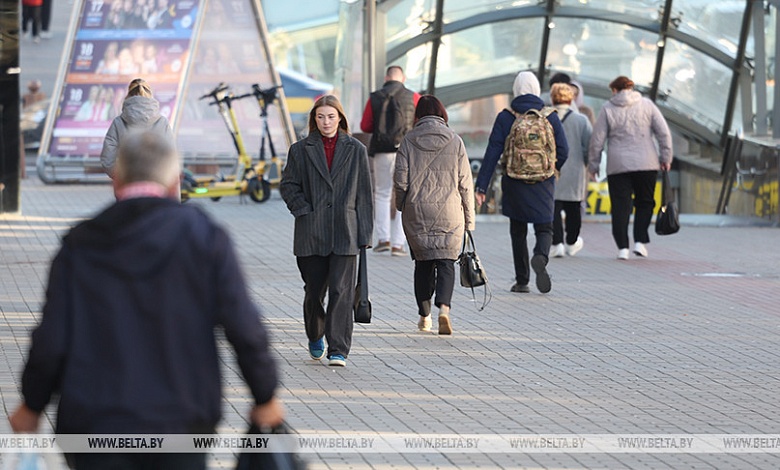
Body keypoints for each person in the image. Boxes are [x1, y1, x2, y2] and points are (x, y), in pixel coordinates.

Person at [9, 130, 284, 469]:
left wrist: (32, 405)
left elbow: (52, 337)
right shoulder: (204, 238)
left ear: (119, 176)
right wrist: (265, 394)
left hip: (95, 423)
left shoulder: (80, 244)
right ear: (174, 179)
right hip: (181, 420)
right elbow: (243, 325)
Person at [280, 95, 373, 368]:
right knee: (314, 291)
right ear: (314, 119)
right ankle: (314, 332)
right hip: (312, 230)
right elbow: (288, 185)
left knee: (342, 291)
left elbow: (365, 195)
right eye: (321, 117)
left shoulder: (356, 149)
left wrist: (365, 235)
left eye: (331, 116)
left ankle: (339, 349)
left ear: (340, 118)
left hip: (346, 230)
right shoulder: (300, 150)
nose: (326, 122)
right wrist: (304, 210)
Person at [474, 71, 568, 294]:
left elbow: (492, 153)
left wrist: (481, 187)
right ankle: (541, 256)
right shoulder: (550, 116)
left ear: (516, 90)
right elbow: (564, 150)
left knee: (518, 230)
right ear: (536, 89)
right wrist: (551, 168)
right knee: (545, 227)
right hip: (543, 182)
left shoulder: (506, 117)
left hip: (514, 181)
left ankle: (522, 280)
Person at [394, 95, 475, 335]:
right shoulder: (456, 141)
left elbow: (400, 181)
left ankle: (425, 316)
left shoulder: (408, 141)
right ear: (442, 113)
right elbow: (465, 184)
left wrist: (402, 206)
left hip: (417, 211)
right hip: (450, 212)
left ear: (418, 115)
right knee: (446, 262)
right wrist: (469, 221)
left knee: (423, 263)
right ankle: (444, 310)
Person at [588, 75, 673, 260]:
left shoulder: (607, 108)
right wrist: (666, 157)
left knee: (620, 206)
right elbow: (663, 133)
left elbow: (597, 140)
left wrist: (593, 165)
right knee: (645, 202)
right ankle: (640, 242)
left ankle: (622, 248)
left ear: (615, 90)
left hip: (618, 164)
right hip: (647, 162)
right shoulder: (647, 105)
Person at [360, 65, 420, 256]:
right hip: (406, 152)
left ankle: (383, 239)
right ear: (404, 78)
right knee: (404, 195)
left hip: (382, 152)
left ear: (386, 77)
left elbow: (365, 125)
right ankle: (398, 244)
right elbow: (419, 123)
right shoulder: (414, 97)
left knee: (382, 194)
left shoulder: (375, 97)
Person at [549, 83, 592, 258]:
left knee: (554, 207)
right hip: (575, 169)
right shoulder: (581, 120)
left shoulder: (547, 118)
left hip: (553, 169)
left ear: (552, 98)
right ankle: (572, 241)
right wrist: (588, 164)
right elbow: (589, 146)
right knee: (574, 207)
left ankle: (557, 242)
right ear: (571, 98)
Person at [101, 78, 173, 178]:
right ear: (150, 95)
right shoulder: (162, 122)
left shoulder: (118, 122)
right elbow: (171, 158)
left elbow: (107, 158)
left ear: (128, 94)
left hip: (127, 184)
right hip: (156, 184)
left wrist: (120, 177)